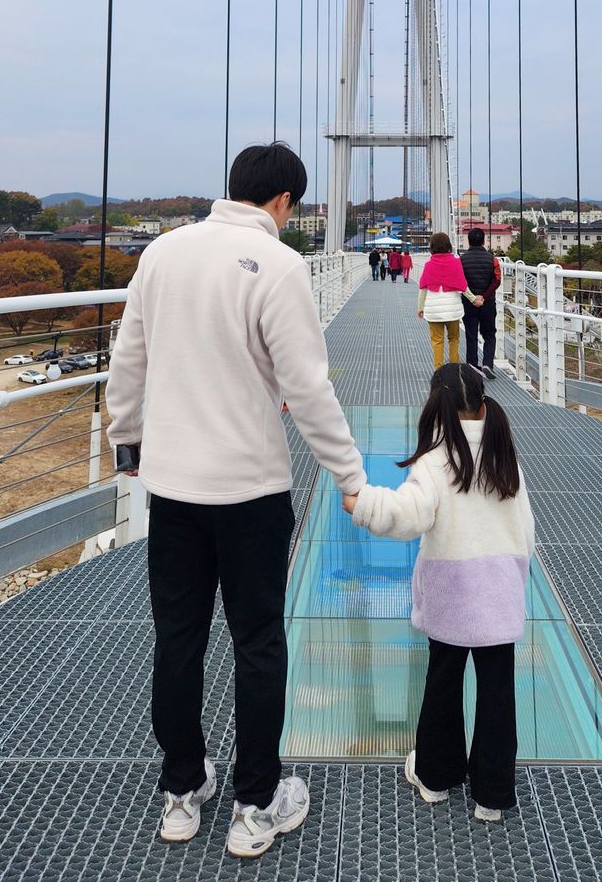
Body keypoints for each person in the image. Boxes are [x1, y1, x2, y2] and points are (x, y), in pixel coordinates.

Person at [106, 142, 366, 858]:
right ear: (284, 202)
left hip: (173, 487)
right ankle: (256, 805)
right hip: (250, 491)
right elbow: (307, 388)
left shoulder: (162, 252)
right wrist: (348, 475)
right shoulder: (278, 266)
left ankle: (182, 790)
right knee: (257, 643)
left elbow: (130, 356)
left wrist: (126, 440)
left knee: (178, 639)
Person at [343, 364, 534, 822]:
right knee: (497, 693)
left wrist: (362, 503)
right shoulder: (504, 454)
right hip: (500, 593)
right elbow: (525, 528)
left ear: (436, 407)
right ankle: (491, 796)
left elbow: (407, 514)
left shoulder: (434, 461)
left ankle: (435, 777)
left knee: (443, 683)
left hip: (452, 595)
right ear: (483, 406)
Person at [417, 232, 480, 367]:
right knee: (454, 339)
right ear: (448, 245)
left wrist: (420, 308)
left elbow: (423, 288)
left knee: (437, 341)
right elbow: (463, 286)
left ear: (432, 247)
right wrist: (473, 299)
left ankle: (439, 370)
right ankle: (454, 369)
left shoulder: (428, 265)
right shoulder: (456, 263)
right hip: (452, 309)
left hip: (434, 310)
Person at [460, 227, 501, 379]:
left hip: (469, 303)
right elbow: (497, 281)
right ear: (484, 241)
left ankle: (472, 366)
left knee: (471, 334)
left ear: (468, 241)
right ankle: (487, 364)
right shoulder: (493, 259)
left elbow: (460, 281)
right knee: (489, 334)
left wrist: (473, 297)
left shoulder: (461, 260)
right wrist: (483, 297)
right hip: (488, 303)